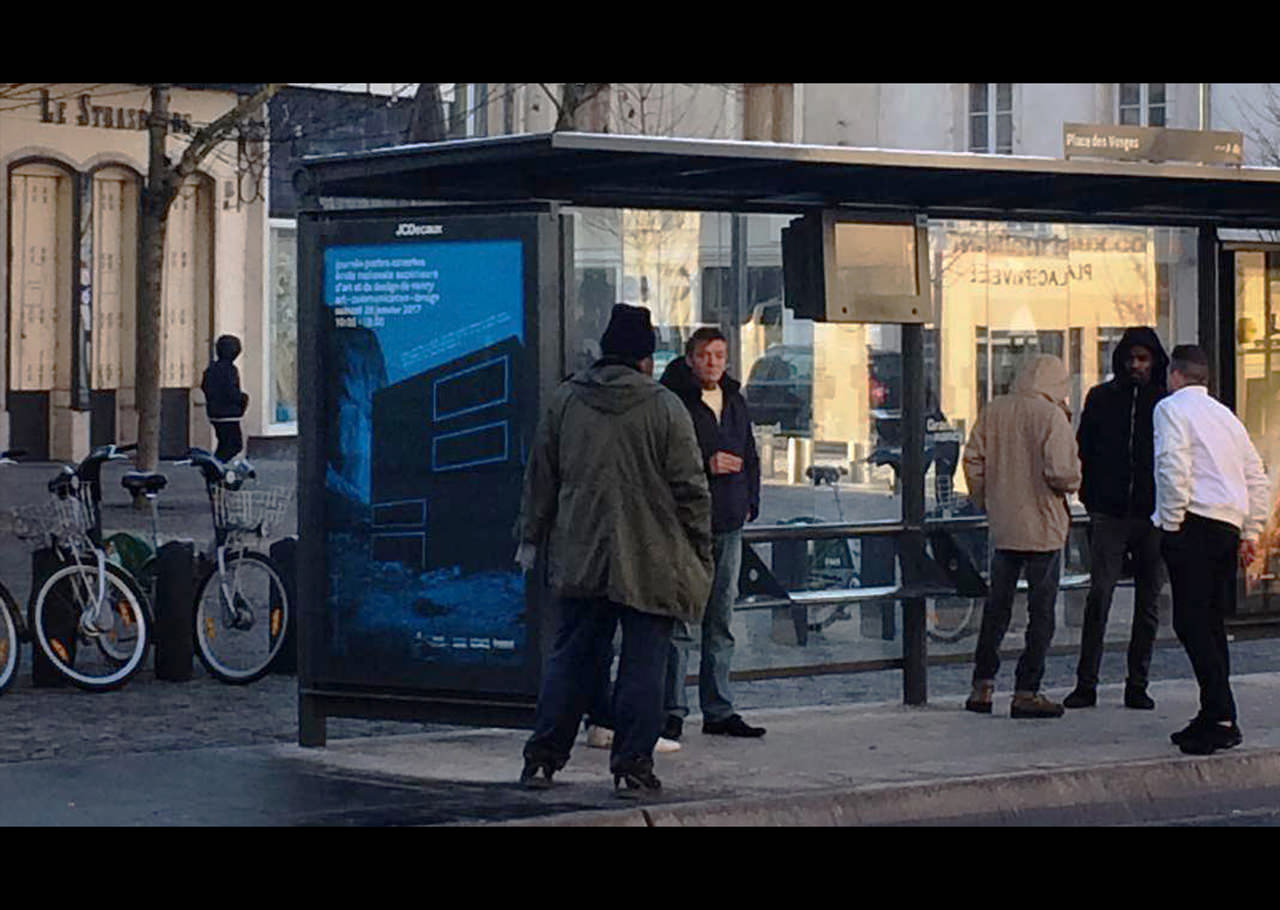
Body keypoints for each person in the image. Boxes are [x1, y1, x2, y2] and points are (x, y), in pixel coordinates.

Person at [516, 304, 713, 798]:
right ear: (646, 359)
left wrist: (531, 537)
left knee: (572, 658)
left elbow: (541, 480)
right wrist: (700, 552)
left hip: (580, 553)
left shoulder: (565, 402)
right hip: (650, 559)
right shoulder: (666, 408)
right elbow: (691, 490)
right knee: (644, 665)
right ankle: (632, 767)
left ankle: (542, 760)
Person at [1152, 344, 1268, 755]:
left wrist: (1170, 522)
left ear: (1175, 374)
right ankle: (1213, 711)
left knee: (1191, 622)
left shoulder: (1170, 409)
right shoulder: (1225, 417)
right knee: (1212, 623)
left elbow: (1172, 465)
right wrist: (1252, 530)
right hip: (1227, 526)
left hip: (1193, 522)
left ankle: (1220, 714)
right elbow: (1256, 475)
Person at [658, 327, 765, 742]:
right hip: (687, 526)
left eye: (719, 355)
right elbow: (666, 461)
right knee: (682, 621)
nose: (713, 363)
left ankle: (719, 709)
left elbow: (750, 455)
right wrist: (707, 463)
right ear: (690, 358)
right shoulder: (674, 402)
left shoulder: (735, 400)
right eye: (705, 355)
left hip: (730, 522)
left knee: (722, 620)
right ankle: (672, 709)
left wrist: (750, 501)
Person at [962, 354, 1081, 719]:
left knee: (996, 609)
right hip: (1043, 525)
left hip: (1004, 526)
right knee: (1040, 613)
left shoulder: (995, 409)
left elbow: (973, 461)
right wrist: (1074, 481)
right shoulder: (1051, 416)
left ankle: (982, 686)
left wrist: (988, 500)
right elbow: (1062, 472)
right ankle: (1026, 690)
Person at [1064, 327, 1169, 711]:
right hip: (1109, 512)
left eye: (1143, 359)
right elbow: (1084, 447)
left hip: (1152, 514)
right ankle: (1085, 682)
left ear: (1154, 361)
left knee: (1148, 603)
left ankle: (1137, 684)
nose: (1136, 366)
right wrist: (1091, 496)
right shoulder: (1102, 398)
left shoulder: (1165, 402)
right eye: (1131, 359)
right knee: (1099, 597)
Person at [201, 335, 250, 463]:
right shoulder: (230, 370)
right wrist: (243, 399)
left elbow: (205, 387)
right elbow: (231, 392)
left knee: (224, 443)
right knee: (234, 445)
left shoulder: (211, 369)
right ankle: (215, 466)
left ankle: (217, 467)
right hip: (229, 414)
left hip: (214, 412)